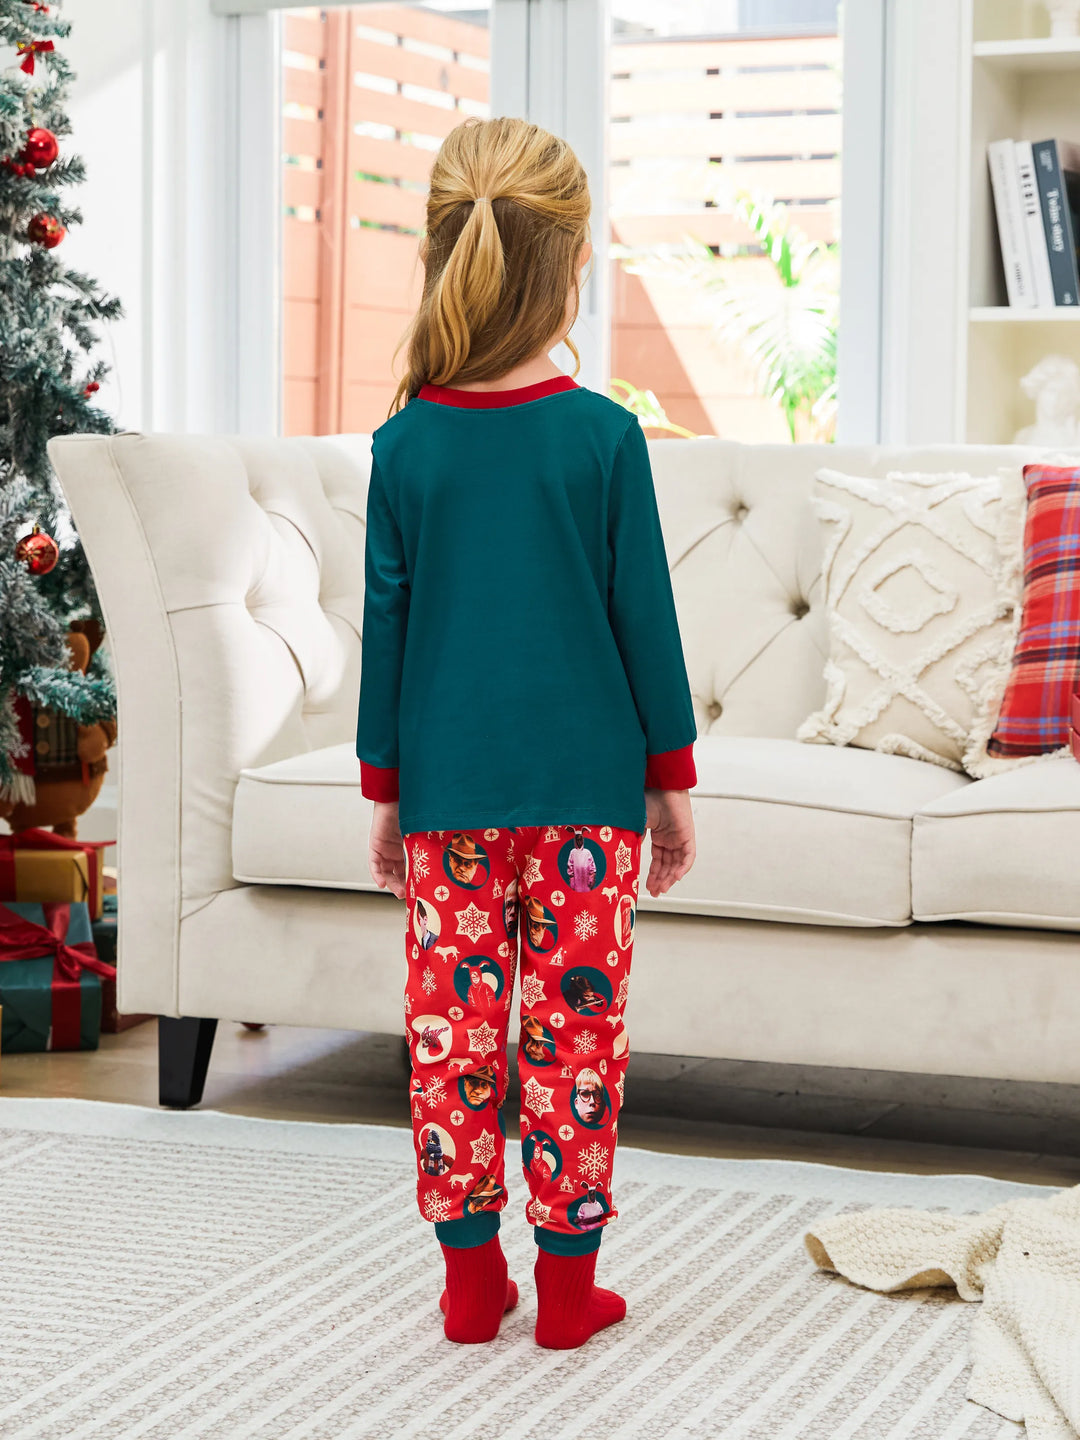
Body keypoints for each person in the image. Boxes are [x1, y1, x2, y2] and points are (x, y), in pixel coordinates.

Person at [357, 115, 697, 1350]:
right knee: (574, 1038)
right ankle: (565, 1293)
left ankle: (467, 1287)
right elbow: (643, 626)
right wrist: (671, 782)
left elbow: (385, 634)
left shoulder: (404, 446)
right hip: (590, 805)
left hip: (446, 797)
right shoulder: (605, 437)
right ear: (573, 265)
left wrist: (384, 789)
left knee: (452, 1039)